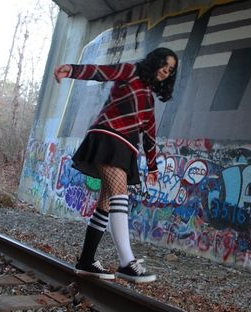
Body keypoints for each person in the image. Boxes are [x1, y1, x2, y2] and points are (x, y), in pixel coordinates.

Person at [54, 47, 178, 283]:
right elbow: (102, 71)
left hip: (126, 150)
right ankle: (126, 262)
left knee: (107, 201)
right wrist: (72, 70)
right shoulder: (130, 72)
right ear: (154, 61)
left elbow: (150, 136)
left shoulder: (149, 102)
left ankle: (87, 261)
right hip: (107, 138)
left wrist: (152, 167)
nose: (165, 71)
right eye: (164, 64)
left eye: (170, 70)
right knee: (120, 195)